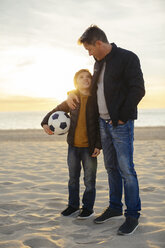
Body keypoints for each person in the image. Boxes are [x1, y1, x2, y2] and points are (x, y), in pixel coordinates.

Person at [67, 25, 145, 235]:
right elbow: (92, 90)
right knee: (111, 167)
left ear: (99, 43)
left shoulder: (128, 58)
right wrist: (70, 93)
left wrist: (121, 116)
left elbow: (138, 89)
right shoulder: (98, 63)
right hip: (102, 123)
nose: (89, 53)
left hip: (120, 124)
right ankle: (114, 208)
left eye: (89, 49)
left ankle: (132, 215)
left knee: (126, 170)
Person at [41, 69, 101, 219]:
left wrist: (98, 145)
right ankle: (73, 206)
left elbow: (100, 125)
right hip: (73, 147)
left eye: (88, 77)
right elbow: (55, 111)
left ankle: (88, 208)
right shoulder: (73, 100)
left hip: (89, 148)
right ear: (76, 82)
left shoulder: (97, 99)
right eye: (81, 77)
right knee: (73, 178)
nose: (85, 79)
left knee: (89, 180)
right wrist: (44, 123)